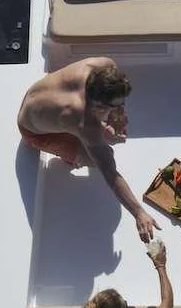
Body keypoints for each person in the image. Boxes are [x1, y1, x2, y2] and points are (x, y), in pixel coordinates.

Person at [18, 57, 162, 242]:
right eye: (114, 106)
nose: (120, 108)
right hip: (33, 133)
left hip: (33, 95)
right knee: (100, 155)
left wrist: (116, 113)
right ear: (99, 106)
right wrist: (139, 212)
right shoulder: (84, 123)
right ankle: (70, 156)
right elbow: (109, 172)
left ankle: (88, 130)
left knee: (103, 136)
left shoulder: (100, 66)